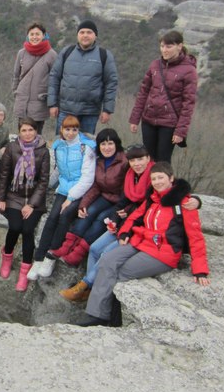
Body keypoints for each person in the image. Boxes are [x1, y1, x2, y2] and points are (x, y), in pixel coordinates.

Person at [61, 144, 201, 302]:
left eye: (140, 159)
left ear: (148, 159)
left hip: (140, 230)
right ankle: (90, 287)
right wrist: (116, 219)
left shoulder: (155, 177)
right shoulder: (130, 176)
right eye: (133, 160)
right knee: (94, 248)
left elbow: (176, 191)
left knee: (107, 254)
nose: (137, 164)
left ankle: (86, 286)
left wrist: (196, 200)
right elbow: (122, 202)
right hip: (125, 224)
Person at [76, 162, 210, 327]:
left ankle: (111, 319)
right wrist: (124, 232)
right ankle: (95, 314)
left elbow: (195, 237)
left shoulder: (184, 203)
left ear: (171, 178)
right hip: (141, 242)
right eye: (154, 179)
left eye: (161, 178)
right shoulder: (152, 199)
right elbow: (134, 217)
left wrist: (200, 270)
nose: (157, 182)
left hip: (163, 253)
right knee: (106, 261)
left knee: (120, 272)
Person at [28, 115, 96, 280]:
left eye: (74, 129)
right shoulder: (59, 146)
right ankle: (38, 258)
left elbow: (88, 178)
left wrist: (71, 198)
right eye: (67, 129)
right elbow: (58, 171)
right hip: (64, 188)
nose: (71, 133)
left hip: (80, 190)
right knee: (52, 217)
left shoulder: (86, 148)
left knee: (64, 216)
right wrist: (44, 187)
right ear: (61, 130)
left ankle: (50, 256)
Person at [52, 128, 129, 268]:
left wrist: (124, 209)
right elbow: (95, 186)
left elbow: (128, 190)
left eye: (110, 143)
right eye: (103, 144)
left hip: (120, 201)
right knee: (88, 212)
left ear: (116, 144)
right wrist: (83, 204)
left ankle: (78, 253)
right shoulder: (99, 161)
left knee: (101, 219)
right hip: (105, 196)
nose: (107, 147)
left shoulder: (124, 162)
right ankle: (67, 246)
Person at [0, 118, 50, 291]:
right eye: (24, 130)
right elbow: (4, 174)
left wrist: (31, 204)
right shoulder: (12, 148)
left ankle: (24, 272)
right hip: (14, 196)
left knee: (27, 230)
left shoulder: (43, 151)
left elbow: (43, 181)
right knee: (15, 227)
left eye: (30, 130)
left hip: (34, 200)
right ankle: (7, 256)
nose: (27, 133)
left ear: (36, 131)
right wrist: (0, 197)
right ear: (19, 132)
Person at [129, 30, 198, 163]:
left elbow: (188, 103)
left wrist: (180, 131)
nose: (164, 50)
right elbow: (143, 92)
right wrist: (135, 118)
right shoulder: (155, 65)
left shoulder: (189, 70)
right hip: (149, 119)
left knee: (163, 161)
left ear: (179, 46)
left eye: (169, 46)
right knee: (148, 159)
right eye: (162, 46)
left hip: (169, 123)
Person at [48, 20, 119, 136]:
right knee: (62, 143)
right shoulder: (67, 52)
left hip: (90, 112)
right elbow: (54, 77)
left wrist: (107, 110)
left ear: (95, 36)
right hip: (66, 110)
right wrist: (52, 104)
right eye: (82, 32)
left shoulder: (104, 55)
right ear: (77, 35)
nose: (85, 35)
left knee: (86, 144)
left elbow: (111, 83)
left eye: (89, 32)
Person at [12, 22, 57, 134]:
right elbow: (16, 75)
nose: (34, 37)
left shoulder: (51, 55)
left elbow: (56, 79)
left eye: (37, 34)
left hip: (39, 102)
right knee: (23, 134)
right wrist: (15, 92)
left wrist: (53, 101)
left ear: (44, 35)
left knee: (36, 135)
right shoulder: (21, 53)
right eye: (32, 34)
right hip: (22, 101)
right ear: (28, 36)